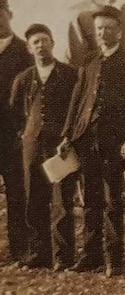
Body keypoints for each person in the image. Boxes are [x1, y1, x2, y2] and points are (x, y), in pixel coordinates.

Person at [57, 4, 125, 278]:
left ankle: (113, 259)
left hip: (113, 142)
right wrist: (67, 136)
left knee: (112, 201)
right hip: (86, 140)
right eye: (98, 29)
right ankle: (90, 256)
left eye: (108, 28)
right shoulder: (90, 62)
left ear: (119, 31)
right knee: (90, 200)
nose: (103, 33)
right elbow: (77, 101)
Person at [9, 24, 77, 270]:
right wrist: (24, 134)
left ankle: (64, 256)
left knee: (62, 202)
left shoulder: (70, 75)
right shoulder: (24, 79)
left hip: (61, 148)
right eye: (35, 42)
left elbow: (77, 110)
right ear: (29, 48)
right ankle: (40, 254)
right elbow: (15, 112)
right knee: (34, 199)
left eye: (45, 40)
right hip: (32, 147)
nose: (41, 45)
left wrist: (68, 138)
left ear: (53, 43)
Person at [0, 0, 31, 263]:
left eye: (0, 14)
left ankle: (20, 248)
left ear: (9, 14)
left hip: (13, 136)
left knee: (17, 192)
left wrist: (24, 128)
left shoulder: (25, 52)